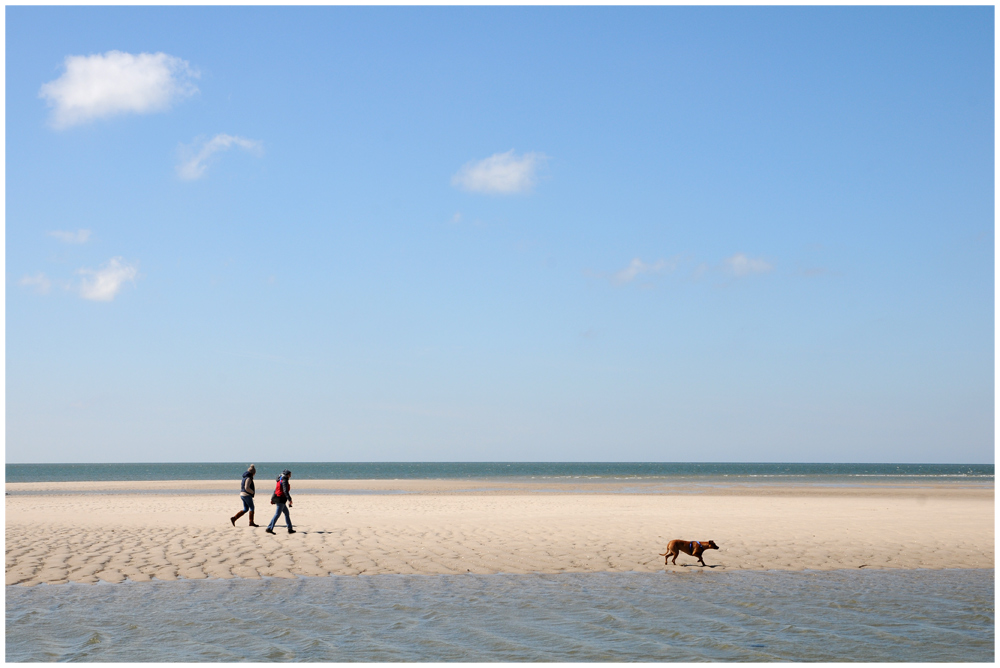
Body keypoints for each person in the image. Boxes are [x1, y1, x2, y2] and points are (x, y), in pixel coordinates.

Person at [266, 469, 295, 534]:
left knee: (286, 513)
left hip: (278, 498)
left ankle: (290, 529)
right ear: (287, 475)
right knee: (277, 514)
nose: (290, 476)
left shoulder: (280, 479)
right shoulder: (284, 480)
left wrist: (272, 499)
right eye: (290, 475)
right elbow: (285, 491)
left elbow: (275, 490)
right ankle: (269, 528)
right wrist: (290, 499)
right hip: (280, 499)